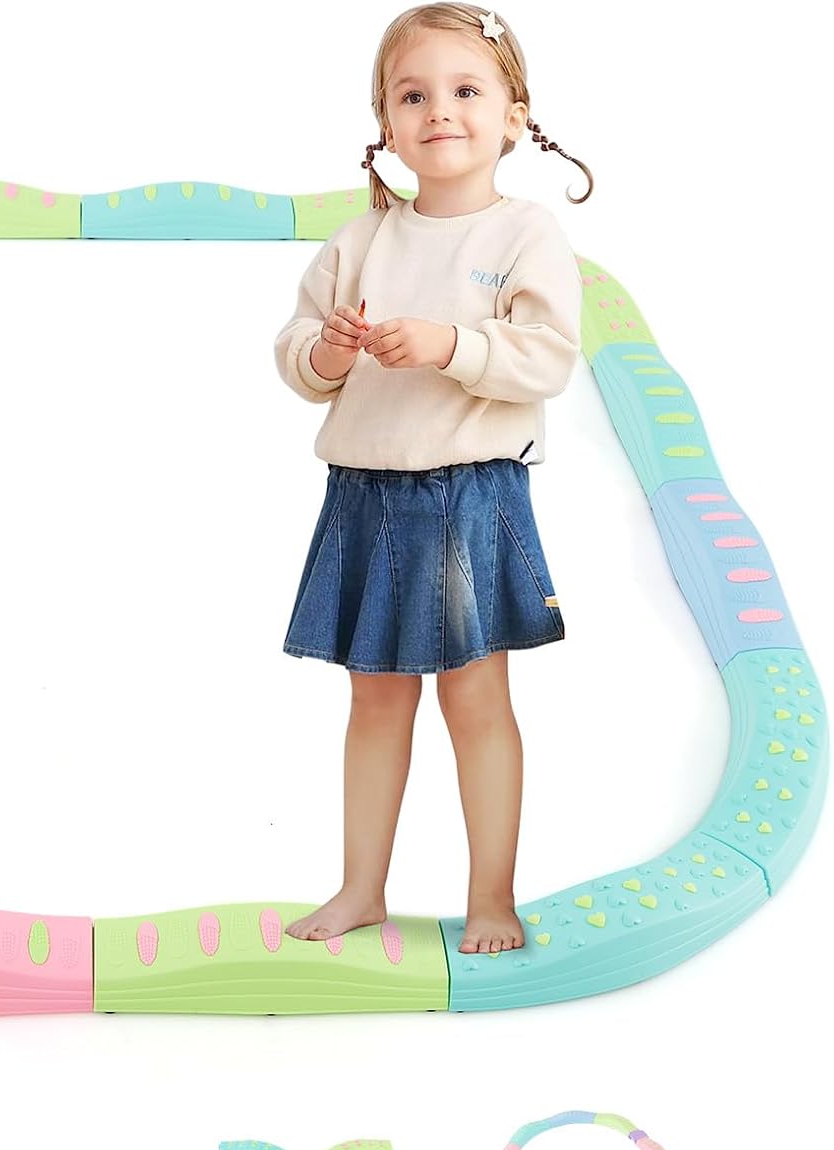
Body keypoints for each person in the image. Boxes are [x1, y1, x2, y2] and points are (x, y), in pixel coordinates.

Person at [273, 5, 591, 954]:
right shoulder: (360, 240)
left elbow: (547, 357)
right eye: (413, 95)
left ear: (512, 116)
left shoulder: (525, 233)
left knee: (475, 700)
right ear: (386, 121)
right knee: (374, 701)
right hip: (364, 498)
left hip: (469, 498)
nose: (440, 111)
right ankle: (360, 888)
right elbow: (296, 354)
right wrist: (329, 353)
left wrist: (451, 344)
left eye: (465, 90)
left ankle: (491, 896)